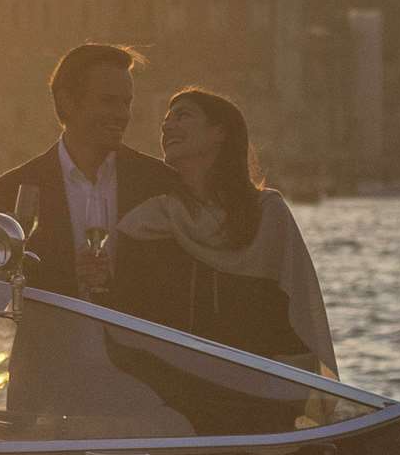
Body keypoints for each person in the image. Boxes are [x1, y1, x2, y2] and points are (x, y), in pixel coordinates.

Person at [118, 87, 338, 378]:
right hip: (171, 386)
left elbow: (294, 314)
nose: (167, 125)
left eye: (182, 116)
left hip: (255, 388)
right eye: (166, 120)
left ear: (219, 133)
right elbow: (129, 311)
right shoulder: (148, 220)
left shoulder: (267, 214)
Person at [0, 41, 187, 322]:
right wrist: (69, 275)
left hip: (137, 361)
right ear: (67, 102)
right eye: (108, 101)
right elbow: (1, 287)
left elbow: (177, 286)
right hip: (48, 359)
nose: (122, 114)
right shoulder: (12, 189)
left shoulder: (159, 183)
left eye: (126, 102)